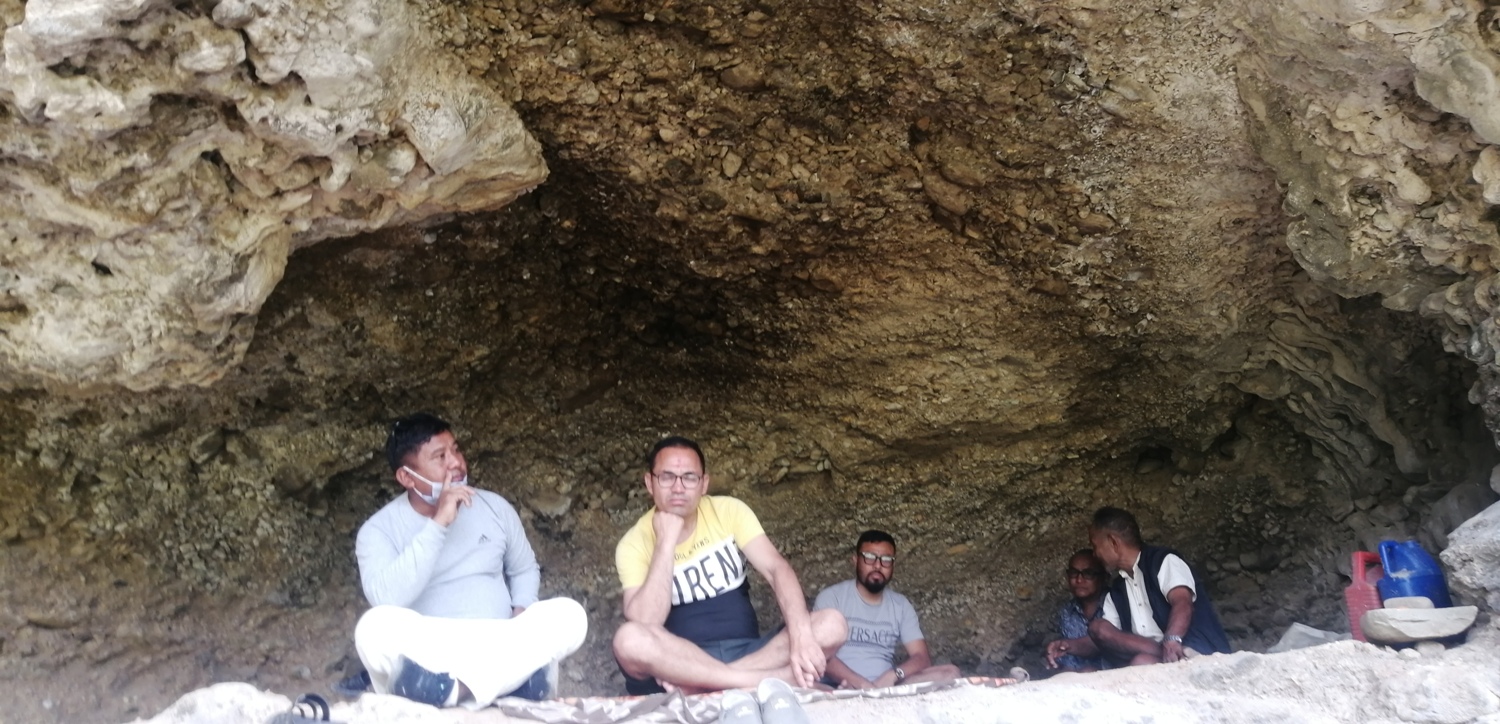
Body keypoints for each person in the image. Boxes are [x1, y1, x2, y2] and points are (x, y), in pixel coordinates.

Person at [350, 413, 587, 709]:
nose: (456, 463)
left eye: (456, 450)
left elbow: (524, 569)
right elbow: (386, 599)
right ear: (406, 478)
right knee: (372, 629)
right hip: (432, 654)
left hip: (500, 642)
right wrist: (438, 524)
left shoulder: (495, 507)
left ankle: (456, 692)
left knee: (570, 614)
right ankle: (510, 684)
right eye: (440, 456)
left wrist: (520, 617)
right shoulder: (378, 530)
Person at [612, 436, 848, 694]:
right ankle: (762, 681)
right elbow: (646, 621)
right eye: (667, 477)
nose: (678, 487)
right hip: (679, 660)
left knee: (832, 624)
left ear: (704, 484)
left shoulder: (729, 511)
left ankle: (709, 686)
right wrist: (665, 541)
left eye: (689, 477)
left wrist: (802, 635)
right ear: (650, 483)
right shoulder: (632, 543)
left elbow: (776, 569)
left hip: (750, 654)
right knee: (628, 640)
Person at [1080, 507, 1231, 666]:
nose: (1094, 554)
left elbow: (1182, 602)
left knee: (1141, 661)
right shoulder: (1117, 591)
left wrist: (1172, 639)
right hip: (1159, 657)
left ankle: (1180, 652)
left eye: (1095, 546)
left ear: (1113, 542)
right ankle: (1173, 653)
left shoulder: (1163, 561)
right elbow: (1104, 637)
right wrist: (1069, 645)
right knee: (1100, 629)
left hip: (1196, 649)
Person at [813, 530, 961, 688]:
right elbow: (817, 654)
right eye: (869, 558)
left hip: (886, 687)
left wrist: (894, 675)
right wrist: (859, 683)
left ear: (893, 565)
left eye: (886, 560)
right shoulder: (832, 597)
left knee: (950, 673)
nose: (877, 566)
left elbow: (922, 658)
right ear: (855, 560)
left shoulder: (901, 605)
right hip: (840, 685)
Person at [1044, 549, 1109, 672]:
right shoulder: (1067, 612)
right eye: (1074, 573)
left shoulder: (1116, 604)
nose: (1079, 580)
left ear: (1103, 577)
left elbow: (1113, 648)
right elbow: (1070, 662)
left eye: (1088, 573)